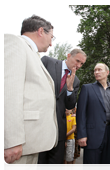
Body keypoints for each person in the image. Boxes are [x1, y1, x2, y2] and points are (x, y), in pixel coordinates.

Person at [4, 15, 58, 170]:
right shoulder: (14, 43)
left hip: (31, 144)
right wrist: (11, 140)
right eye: (51, 36)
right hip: (17, 145)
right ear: (41, 31)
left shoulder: (31, 54)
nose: (51, 43)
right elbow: (8, 93)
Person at [37, 49, 87, 170]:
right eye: (77, 61)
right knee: (39, 164)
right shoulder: (47, 62)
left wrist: (70, 89)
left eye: (81, 64)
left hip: (59, 129)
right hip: (39, 125)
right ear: (69, 56)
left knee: (56, 165)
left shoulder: (75, 81)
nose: (78, 65)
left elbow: (70, 106)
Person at [76, 63, 110, 170]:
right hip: (92, 135)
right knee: (91, 166)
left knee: (106, 166)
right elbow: (81, 113)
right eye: (95, 70)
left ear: (107, 72)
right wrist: (81, 135)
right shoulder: (87, 88)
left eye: (99, 70)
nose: (96, 72)